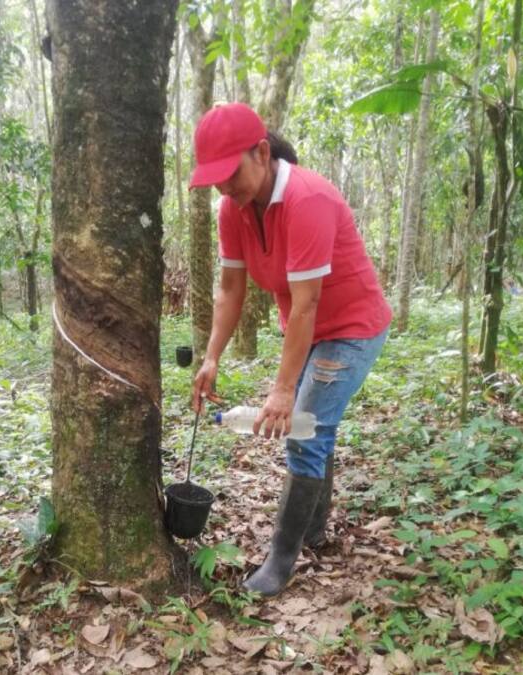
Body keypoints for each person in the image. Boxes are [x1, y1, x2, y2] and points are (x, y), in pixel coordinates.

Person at [189, 102, 392, 597]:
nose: (224, 189)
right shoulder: (232, 210)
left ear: (261, 152)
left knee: (301, 430)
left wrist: (281, 391)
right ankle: (315, 528)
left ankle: (280, 562)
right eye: (214, 181)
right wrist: (211, 356)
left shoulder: (307, 199)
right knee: (313, 427)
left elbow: (306, 306)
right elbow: (231, 289)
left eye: (230, 174)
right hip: (310, 330)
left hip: (351, 327)